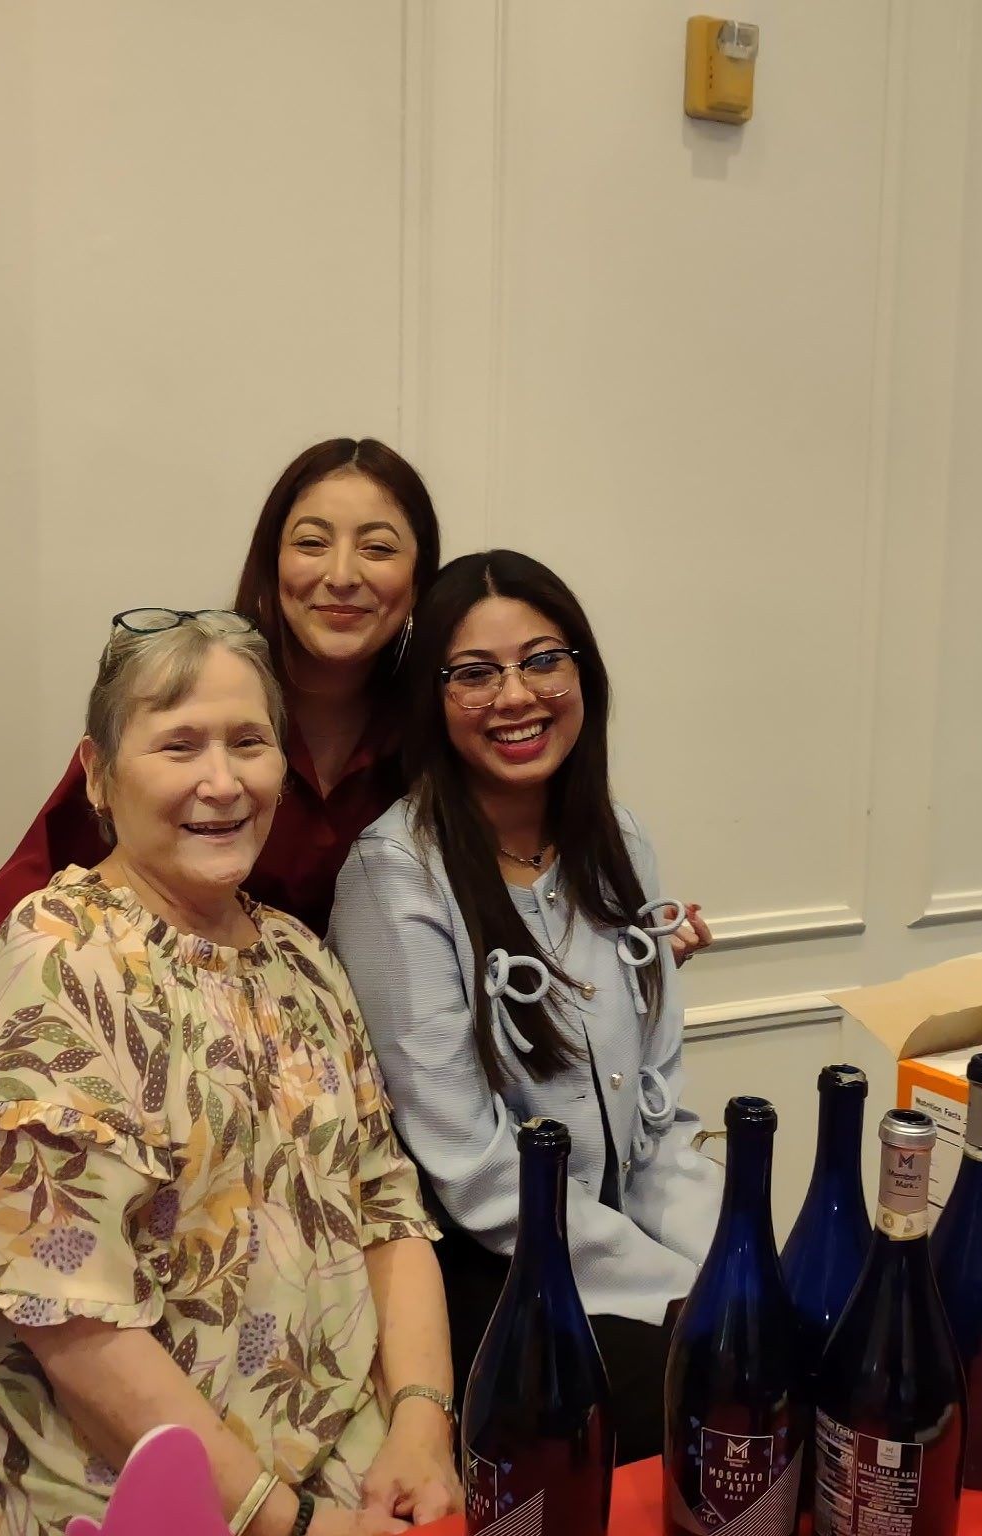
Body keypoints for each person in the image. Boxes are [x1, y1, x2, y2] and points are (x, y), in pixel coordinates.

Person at [0, 611, 461, 1536]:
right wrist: (286, 1523)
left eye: (249, 742)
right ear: (96, 773)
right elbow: (68, 1319)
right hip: (126, 1498)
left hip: (345, 1472)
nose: (222, 781)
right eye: (178, 745)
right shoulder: (56, 961)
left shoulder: (299, 956)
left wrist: (423, 1424)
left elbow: (386, 1209)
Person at [0, 438, 442, 1137]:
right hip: (130, 1093)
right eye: (312, 542)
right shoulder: (181, 698)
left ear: (419, 574)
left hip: (327, 1106)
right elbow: (43, 879)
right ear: (271, 560)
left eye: (378, 548)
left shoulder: (438, 735)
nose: (342, 575)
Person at [328, 550, 722, 1465]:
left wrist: (729, 1272)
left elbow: (664, 1116)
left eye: (544, 659)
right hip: (491, 1276)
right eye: (475, 674)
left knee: (784, 1338)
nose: (517, 696)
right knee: (704, 1389)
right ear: (433, 701)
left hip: (619, 1244)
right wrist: (674, 1293)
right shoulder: (395, 877)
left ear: (582, 671)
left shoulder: (619, 843)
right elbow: (474, 1175)